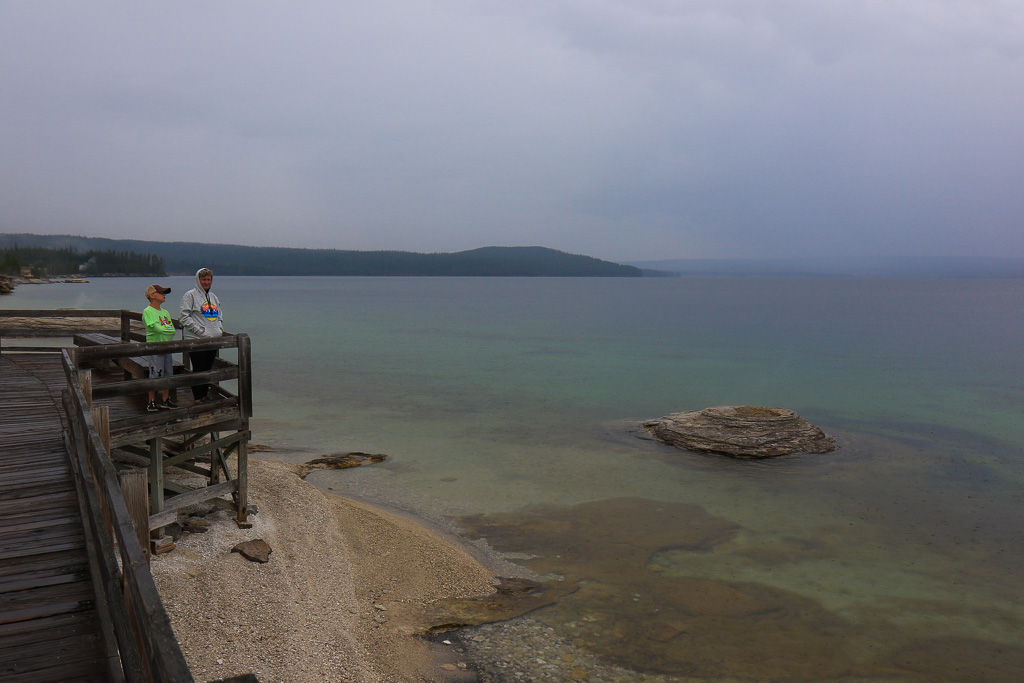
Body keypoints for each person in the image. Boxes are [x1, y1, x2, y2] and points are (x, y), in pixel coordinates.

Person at [179, 267, 225, 404]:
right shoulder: (190, 296)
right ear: (198, 280)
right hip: (196, 340)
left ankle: (205, 396)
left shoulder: (213, 297)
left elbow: (219, 315)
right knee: (198, 369)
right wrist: (200, 331)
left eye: (209, 279)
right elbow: (184, 317)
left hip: (212, 339)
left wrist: (219, 329)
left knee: (207, 369)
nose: (206, 282)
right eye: (204, 279)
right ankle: (198, 398)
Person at [143, 284, 178, 412]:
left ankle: (165, 399)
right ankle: (151, 401)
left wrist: (164, 329)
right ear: (152, 295)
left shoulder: (165, 312)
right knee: (155, 373)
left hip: (167, 347)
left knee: (168, 373)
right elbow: (156, 329)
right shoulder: (148, 312)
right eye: (162, 293)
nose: (164, 295)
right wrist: (165, 329)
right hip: (155, 348)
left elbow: (171, 331)